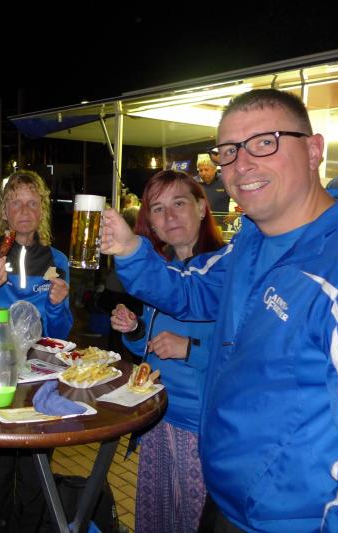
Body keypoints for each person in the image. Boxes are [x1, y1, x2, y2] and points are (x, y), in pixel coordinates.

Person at [101, 88, 338, 531]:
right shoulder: (250, 242)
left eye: (265, 142)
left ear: (314, 150)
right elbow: (191, 295)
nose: (242, 164)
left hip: (296, 519)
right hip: (228, 498)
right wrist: (130, 249)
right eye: (229, 150)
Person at [110, 170, 224, 532]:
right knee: (157, 521)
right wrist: (134, 329)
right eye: (158, 209)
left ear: (202, 207)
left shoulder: (225, 268)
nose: (169, 216)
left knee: (195, 523)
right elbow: (148, 346)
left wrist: (189, 348)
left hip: (201, 429)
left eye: (179, 203)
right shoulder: (162, 273)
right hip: (157, 416)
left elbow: (245, 351)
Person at [0, 170, 72, 532]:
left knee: (36, 469)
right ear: (4, 211)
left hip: (41, 377)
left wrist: (56, 305)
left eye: (33, 203)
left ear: (43, 210)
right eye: (16, 203)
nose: (25, 211)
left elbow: (60, 333)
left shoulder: (57, 260)